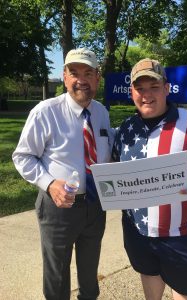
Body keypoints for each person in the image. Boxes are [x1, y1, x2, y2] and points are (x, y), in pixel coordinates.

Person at [112, 58, 187, 300]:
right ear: (131, 92)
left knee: (186, 289)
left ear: (166, 88)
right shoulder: (125, 128)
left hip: (180, 232)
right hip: (137, 229)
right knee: (148, 273)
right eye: (140, 88)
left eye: (153, 87)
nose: (146, 95)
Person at [12, 48, 114, 300]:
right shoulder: (45, 112)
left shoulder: (101, 112)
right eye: (74, 72)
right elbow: (22, 156)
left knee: (90, 274)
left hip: (95, 205)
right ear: (65, 77)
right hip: (58, 208)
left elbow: (105, 151)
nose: (81, 79)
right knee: (57, 276)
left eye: (88, 73)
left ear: (97, 78)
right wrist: (49, 184)